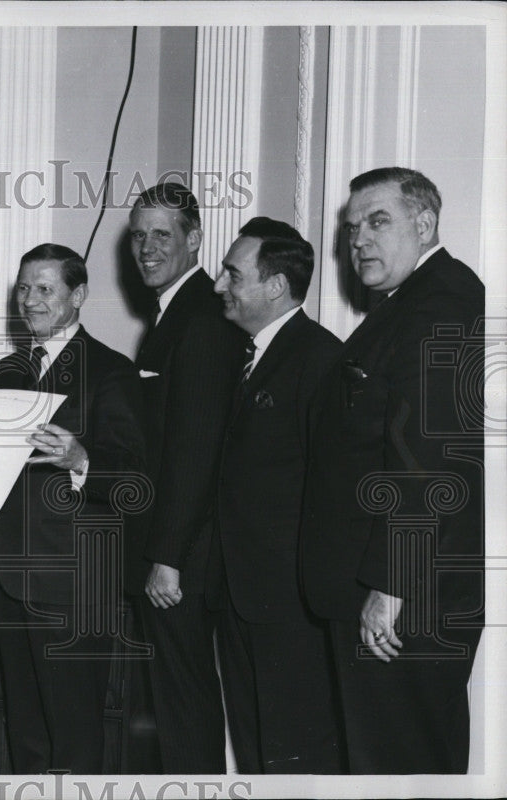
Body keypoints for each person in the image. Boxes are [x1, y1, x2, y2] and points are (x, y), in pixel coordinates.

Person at [301, 167, 485, 774]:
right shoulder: (408, 304)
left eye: (378, 221)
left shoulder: (442, 300)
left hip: (407, 598)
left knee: (404, 769)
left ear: (425, 223)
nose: (359, 240)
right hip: (393, 588)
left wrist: (391, 585)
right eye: (353, 228)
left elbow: (426, 458)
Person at [0, 243, 146, 773]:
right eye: (25, 288)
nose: (30, 300)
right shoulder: (7, 371)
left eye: (45, 289)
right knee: (25, 732)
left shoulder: (111, 370)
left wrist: (81, 459)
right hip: (8, 578)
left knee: (74, 737)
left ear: (78, 296)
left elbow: (134, 477)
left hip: (74, 586)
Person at [207, 217, 343, 773]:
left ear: (275, 286)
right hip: (242, 596)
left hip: (288, 603)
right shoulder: (247, 355)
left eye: (233, 275)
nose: (220, 285)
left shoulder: (318, 358)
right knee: (256, 748)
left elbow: (331, 489)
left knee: (295, 754)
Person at [126, 182, 245, 772]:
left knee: (184, 701)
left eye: (162, 235)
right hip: (176, 552)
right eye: (139, 236)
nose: (147, 248)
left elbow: (195, 452)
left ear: (195, 239)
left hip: (181, 562)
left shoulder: (198, 318)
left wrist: (167, 555)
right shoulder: (179, 313)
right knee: (177, 701)